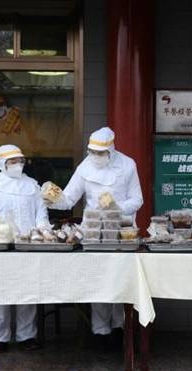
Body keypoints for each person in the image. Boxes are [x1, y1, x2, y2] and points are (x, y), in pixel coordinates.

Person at [46, 126, 143, 348]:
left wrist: (116, 207)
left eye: (101, 153)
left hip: (121, 231)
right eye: (93, 152)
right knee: (99, 280)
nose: (96, 157)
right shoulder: (84, 167)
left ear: (111, 150)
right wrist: (53, 200)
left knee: (120, 280)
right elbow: (69, 198)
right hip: (93, 232)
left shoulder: (128, 165)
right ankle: (100, 331)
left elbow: (137, 200)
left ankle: (120, 327)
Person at [0, 144, 49, 353]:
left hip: (29, 245)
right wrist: (1, 231)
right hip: (2, 246)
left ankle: (27, 335)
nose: (17, 165)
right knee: (1, 292)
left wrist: (42, 232)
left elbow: (41, 214)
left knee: (27, 291)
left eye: (20, 161)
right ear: (2, 164)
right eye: (12, 162)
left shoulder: (33, 185)